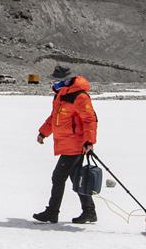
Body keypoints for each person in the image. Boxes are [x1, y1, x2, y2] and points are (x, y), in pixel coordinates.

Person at [32, 65, 98, 224]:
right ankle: (89, 212)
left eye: (58, 79)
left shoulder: (80, 96)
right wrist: (43, 132)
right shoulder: (62, 93)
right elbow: (54, 117)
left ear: (67, 79)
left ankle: (52, 212)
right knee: (76, 179)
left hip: (75, 145)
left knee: (58, 177)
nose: (55, 82)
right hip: (67, 143)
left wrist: (89, 141)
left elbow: (90, 120)